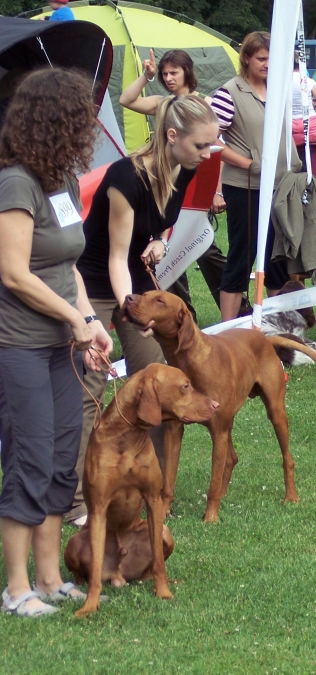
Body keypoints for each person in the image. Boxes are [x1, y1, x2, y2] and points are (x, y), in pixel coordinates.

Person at [74, 95, 220, 525]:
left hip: (133, 280)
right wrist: (130, 311)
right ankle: (77, 499)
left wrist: (158, 240)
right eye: (201, 145)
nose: (208, 154)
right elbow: (115, 257)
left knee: (158, 383)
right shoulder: (126, 177)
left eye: (211, 144)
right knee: (92, 386)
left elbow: (156, 225)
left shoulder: (183, 167)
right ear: (172, 136)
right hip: (95, 282)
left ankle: (145, 483)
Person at [0, 68, 113, 618]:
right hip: (18, 345)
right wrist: (74, 319)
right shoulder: (15, 183)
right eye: (80, 117)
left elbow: (68, 265)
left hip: (63, 345)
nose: (89, 126)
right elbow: (14, 272)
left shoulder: (62, 178)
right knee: (31, 456)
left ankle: (49, 580)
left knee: (63, 457)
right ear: (53, 121)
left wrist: (90, 319)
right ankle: (16, 588)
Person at [118, 48, 230, 318]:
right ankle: (184, 315)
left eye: (174, 72)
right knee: (167, 248)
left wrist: (216, 191)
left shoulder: (205, 104)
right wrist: (146, 77)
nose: (168, 78)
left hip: (196, 185)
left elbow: (217, 150)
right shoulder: (163, 104)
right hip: (165, 183)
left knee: (205, 249)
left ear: (187, 72)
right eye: (164, 73)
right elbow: (126, 100)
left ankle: (236, 309)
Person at [211, 31, 300, 321]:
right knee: (243, 255)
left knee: (277, 257)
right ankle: (227, 328)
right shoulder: (229, 93)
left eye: (273, 59)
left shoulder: (279, 89)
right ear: (246, 58)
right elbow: (208, 138)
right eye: (262, 58)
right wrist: (246, 162)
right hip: (245, 187)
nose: (268, 64)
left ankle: (278, 324)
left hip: (281, 186)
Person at [290, 52, 316, 153]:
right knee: (315, 152)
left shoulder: (283, 83)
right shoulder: (309, 81)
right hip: (309, 121)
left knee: (293, 154)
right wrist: (312, 105)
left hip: (290, 122)